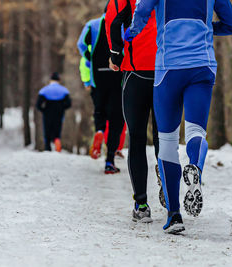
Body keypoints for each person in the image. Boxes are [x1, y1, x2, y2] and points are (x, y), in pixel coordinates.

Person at [125, 0, 232, 233]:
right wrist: (208, 27)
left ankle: (174, 216)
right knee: (196, 131)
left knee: (167, 141)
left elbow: (142, 11)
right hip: (202, 66)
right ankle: (195, 168)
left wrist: (131, 33)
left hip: (169, 68)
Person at [105, 0, 161, 223]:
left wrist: (115, 54)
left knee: (136, 138)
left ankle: (141, 204)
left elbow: (113, 22)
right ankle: (167, 188)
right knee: (163, 137)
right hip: (165, 69)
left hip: (135, 71)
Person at [77, 11, 125, 174]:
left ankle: (98, 130)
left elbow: (81, 44)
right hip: (117, 75)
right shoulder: (123, 23)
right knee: (116, 119)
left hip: (97, 75)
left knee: (99, 110)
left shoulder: (92, 25)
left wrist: (90, 57)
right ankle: (110, 160)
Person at [36, 72, 72, 152]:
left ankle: (47, 148)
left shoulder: (44, 90)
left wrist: (43, 110)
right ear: (59, 80)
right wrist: (62, 108)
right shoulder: (64, 90)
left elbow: (38, 105)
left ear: (50, 80)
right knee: (57, 130)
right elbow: (69, 104)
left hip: (47, 113)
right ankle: (57, 142)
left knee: (47, 132)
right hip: (59, 113)